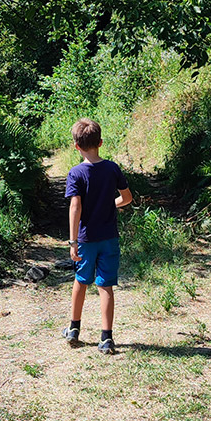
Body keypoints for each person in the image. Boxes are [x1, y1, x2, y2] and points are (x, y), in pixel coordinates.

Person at [62, 118, 133, 354]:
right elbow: (127, 198)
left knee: (81, 281)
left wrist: (73, 242)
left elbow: (75, 207)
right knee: (106, 286)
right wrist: (109, 205)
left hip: (86, 238)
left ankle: (74, 328)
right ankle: (107, 338)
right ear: (100, 142)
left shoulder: (76, 173)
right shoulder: (112, 168)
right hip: (109, 238)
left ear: (76, 146)